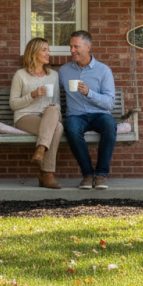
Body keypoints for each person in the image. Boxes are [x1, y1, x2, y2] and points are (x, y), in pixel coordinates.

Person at [58, 30, 117, 190]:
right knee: (71, 128)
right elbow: (55, 93)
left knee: (110, 124)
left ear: (88, 47)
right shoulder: (64, 71)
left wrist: (89, 93)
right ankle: (87, 175)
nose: (72, 51)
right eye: (71, 47)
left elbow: (110, 103)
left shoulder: (104, 71)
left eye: (76, 46)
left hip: (99, 115)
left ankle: (101, 174)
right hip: (76, 115)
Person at [9, 37, 64, 189]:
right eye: (44, 50)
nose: (48, 53)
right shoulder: (20, 75)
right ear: (33, 53)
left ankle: (40, 149)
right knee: (58, 128)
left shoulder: (53, 75)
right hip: (25, 117)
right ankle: (47, 173)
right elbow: (13, 105)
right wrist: (32, 95)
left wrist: (54, 106)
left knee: (53, 110)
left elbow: (57, 102)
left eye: (48, 49)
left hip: (48, 115)